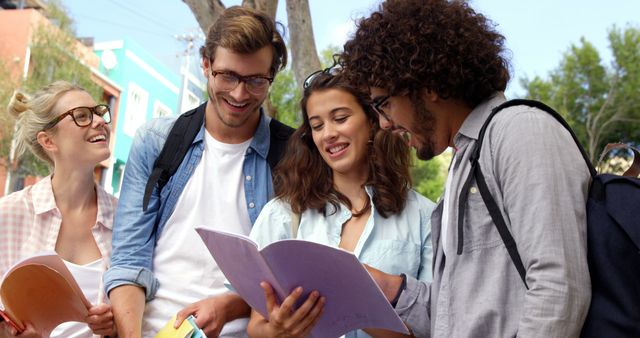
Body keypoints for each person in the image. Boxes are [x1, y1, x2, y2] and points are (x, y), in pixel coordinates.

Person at [339, 0, 592, 337]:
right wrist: (387, 288)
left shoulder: (519, 130)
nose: (384, 124)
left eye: (384, 104)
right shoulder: (465, 159)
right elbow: (459, 315)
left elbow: (559, 289)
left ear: (425, 85)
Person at [103, 6, 290, 338]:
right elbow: (130, 259)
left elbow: (294, 276)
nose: (239, 93)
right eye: (228, 76)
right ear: (205, 64)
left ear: (271, 78)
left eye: (255, 81)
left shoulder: (292, 155)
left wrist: (229, 306)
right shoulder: (156, 141)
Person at [246, 70, 435, 338]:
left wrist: (354, 302)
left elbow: (438, 325)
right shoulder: (283, 213)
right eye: (317, 125)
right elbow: (256, 326)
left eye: (340, 118)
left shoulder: (425, 217)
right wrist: (277, 331)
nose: (328, 134)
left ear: (372, 121)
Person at [0, 81, 117, 338]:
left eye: (98, 113)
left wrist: (115, 326)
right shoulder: (9, 214)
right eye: (82, 116)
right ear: (48, 140)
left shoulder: (125, 221)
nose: (99, 121)